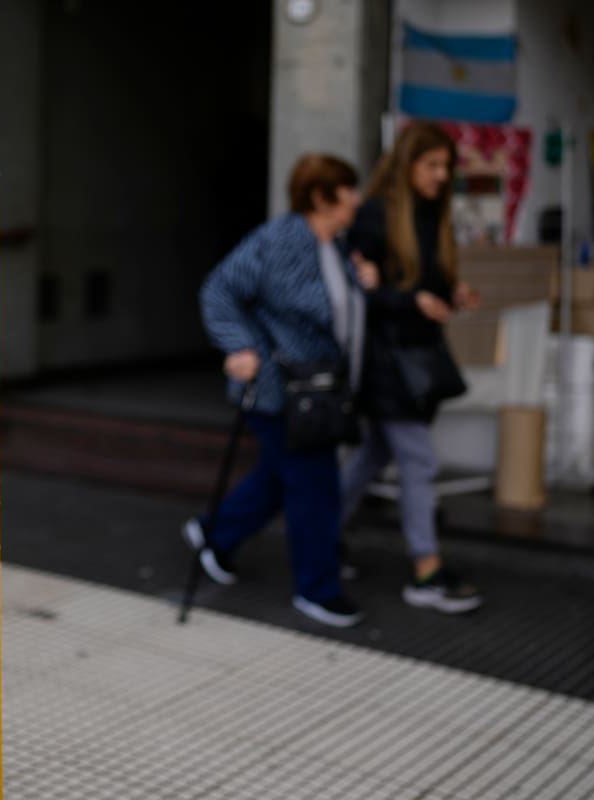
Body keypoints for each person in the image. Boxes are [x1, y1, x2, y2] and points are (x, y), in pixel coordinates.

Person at [183, 153, 367, 628]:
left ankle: (213, 535)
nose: (357, 200)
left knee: (277, 479)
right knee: (315, 487)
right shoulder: (281, 239)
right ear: (323, 197)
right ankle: (317, 589)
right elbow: (219, 290)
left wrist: (364, 283)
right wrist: (240, 346)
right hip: (281, 390)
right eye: (349, 191)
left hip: (320, 389)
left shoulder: (335, 246)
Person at [341, 120, 483, 614]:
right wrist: (411, 303)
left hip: (419, 361)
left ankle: (320, 536)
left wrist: (450, 295)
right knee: (419, 460)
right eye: (433, 165)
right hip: (386, 362)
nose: (442, 176)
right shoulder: (376, 216)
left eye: (446, 166)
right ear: (408, 164)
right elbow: (358, 294)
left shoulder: (431, 216)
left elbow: (419, 284)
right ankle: (427, 570)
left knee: (371, 458)